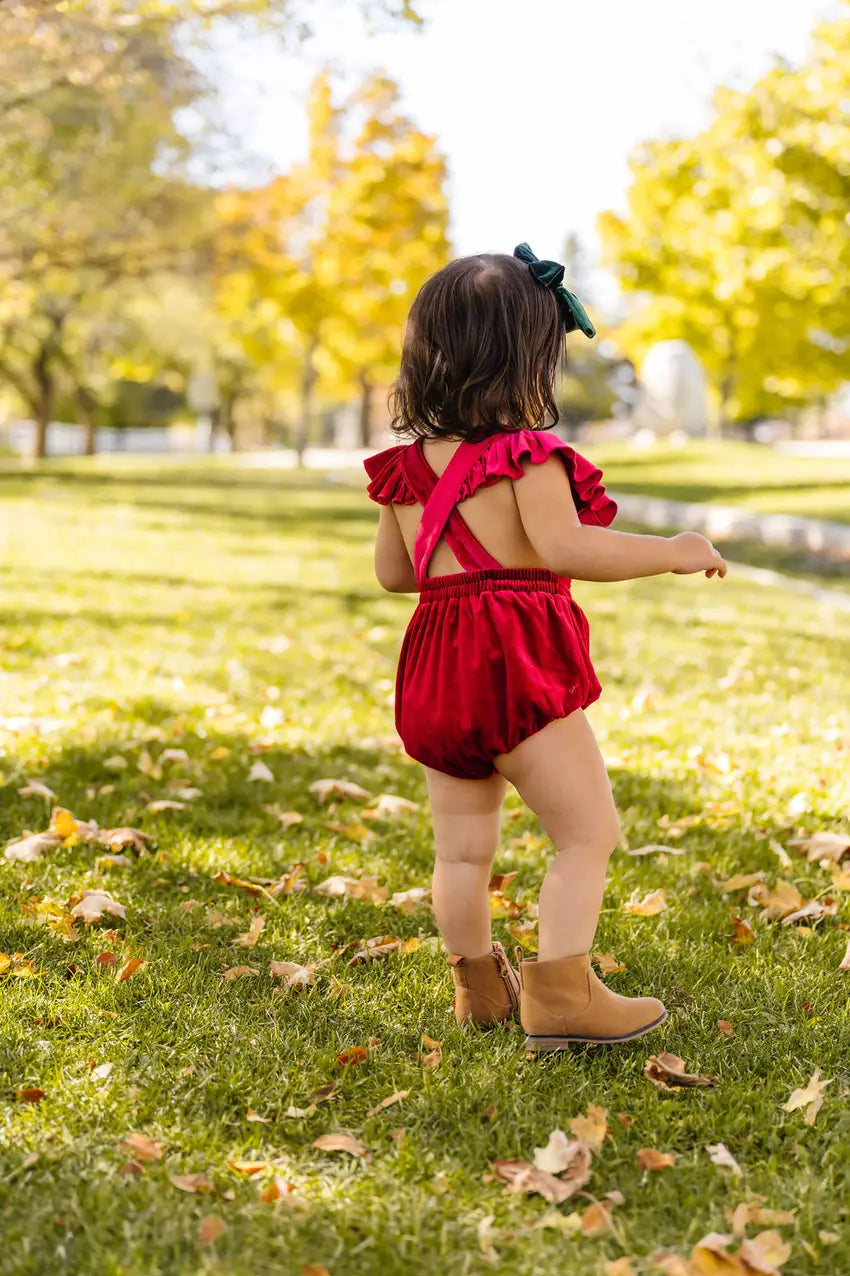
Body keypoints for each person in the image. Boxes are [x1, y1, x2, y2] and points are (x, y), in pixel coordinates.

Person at [363, 245, 727, 1051]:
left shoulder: (401, 474)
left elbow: (396, 575)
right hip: (514, 666)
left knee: (461, 851)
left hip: (435, 669)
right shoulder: (526, 459)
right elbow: (571, 551)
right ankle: (562, 997)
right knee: (585, 833)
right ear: (529, 359)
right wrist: (671, 548)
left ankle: (479, 990)